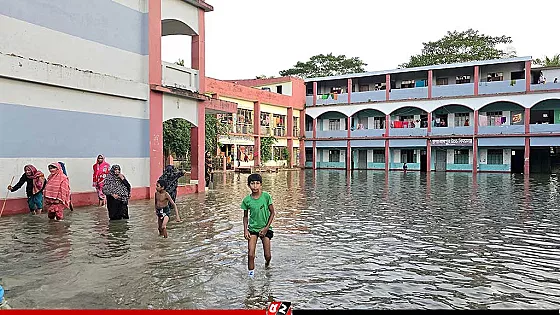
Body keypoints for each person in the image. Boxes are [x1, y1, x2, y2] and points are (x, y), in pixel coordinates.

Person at [240, 173, 275, 278]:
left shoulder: (266, 196)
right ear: (248, 185)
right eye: (252, 184)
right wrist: (245, 230)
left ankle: (267, 264)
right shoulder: (247, 200)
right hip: (253, 229)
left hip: (265, 228)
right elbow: (245, 217)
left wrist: (266, 228)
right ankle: (251, 277)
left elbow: (272, 213)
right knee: (250, 254)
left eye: (257, 183)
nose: (255, 186)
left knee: (267, 255)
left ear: (261, 185)